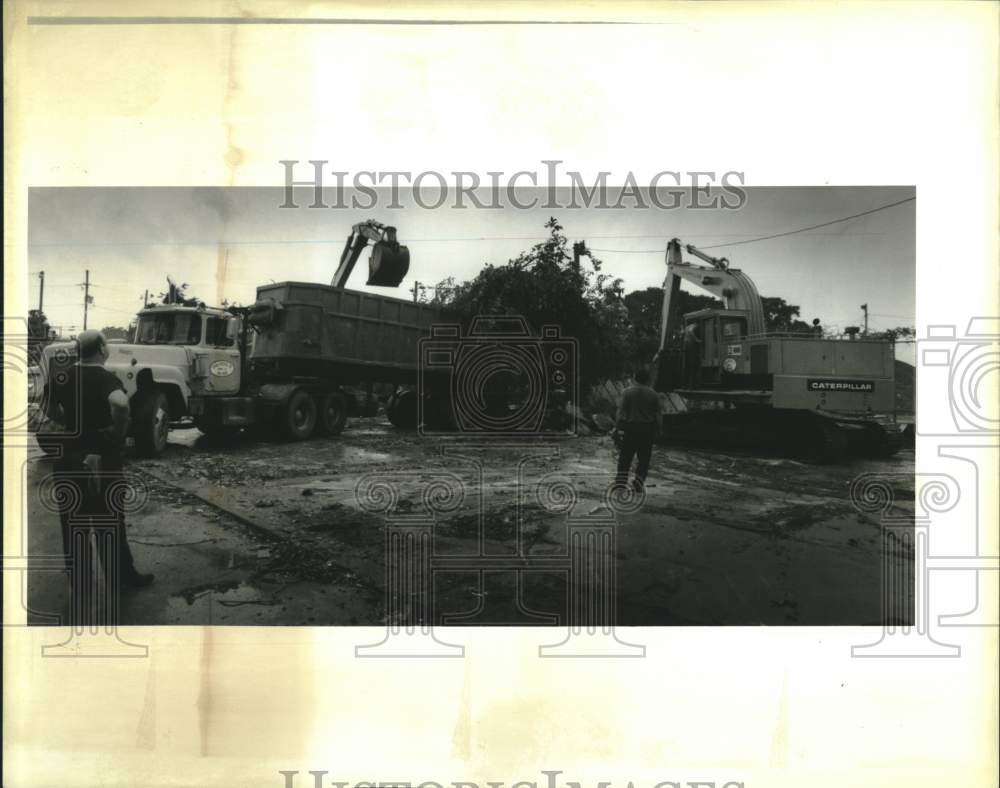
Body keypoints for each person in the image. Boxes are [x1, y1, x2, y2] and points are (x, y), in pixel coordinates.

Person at [46, 330, 153, 625]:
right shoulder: (105, 378)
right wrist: (115, 434)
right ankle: (121, 578)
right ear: (102, 349)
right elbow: (120, 404)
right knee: (108, 521)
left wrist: (71, 427)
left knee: (73, 521)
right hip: (100, 460)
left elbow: (48, 410)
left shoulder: (61, 377)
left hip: (68, 460)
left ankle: (80, 582)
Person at [613, 368, 662, 492]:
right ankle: (638, 485)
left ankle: (620, 484)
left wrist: (616, 427)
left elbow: (620, 411)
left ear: (635, 378)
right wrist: (658, 430)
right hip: (646, 430)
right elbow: (658, 415)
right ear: (648, 379)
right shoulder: (653, 394)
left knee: (625, 458)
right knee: (644, 460)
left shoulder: (627, 392)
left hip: (629, 429)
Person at [682, 322, 702, 387]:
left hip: (686, 345)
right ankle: (692, 384)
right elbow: (691, 332)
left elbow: (683, 334)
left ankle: (686, 384)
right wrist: (697, 340)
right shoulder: (694, 326)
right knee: (693, 365)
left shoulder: (686, 327)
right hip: (691, 345)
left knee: (688, 365)